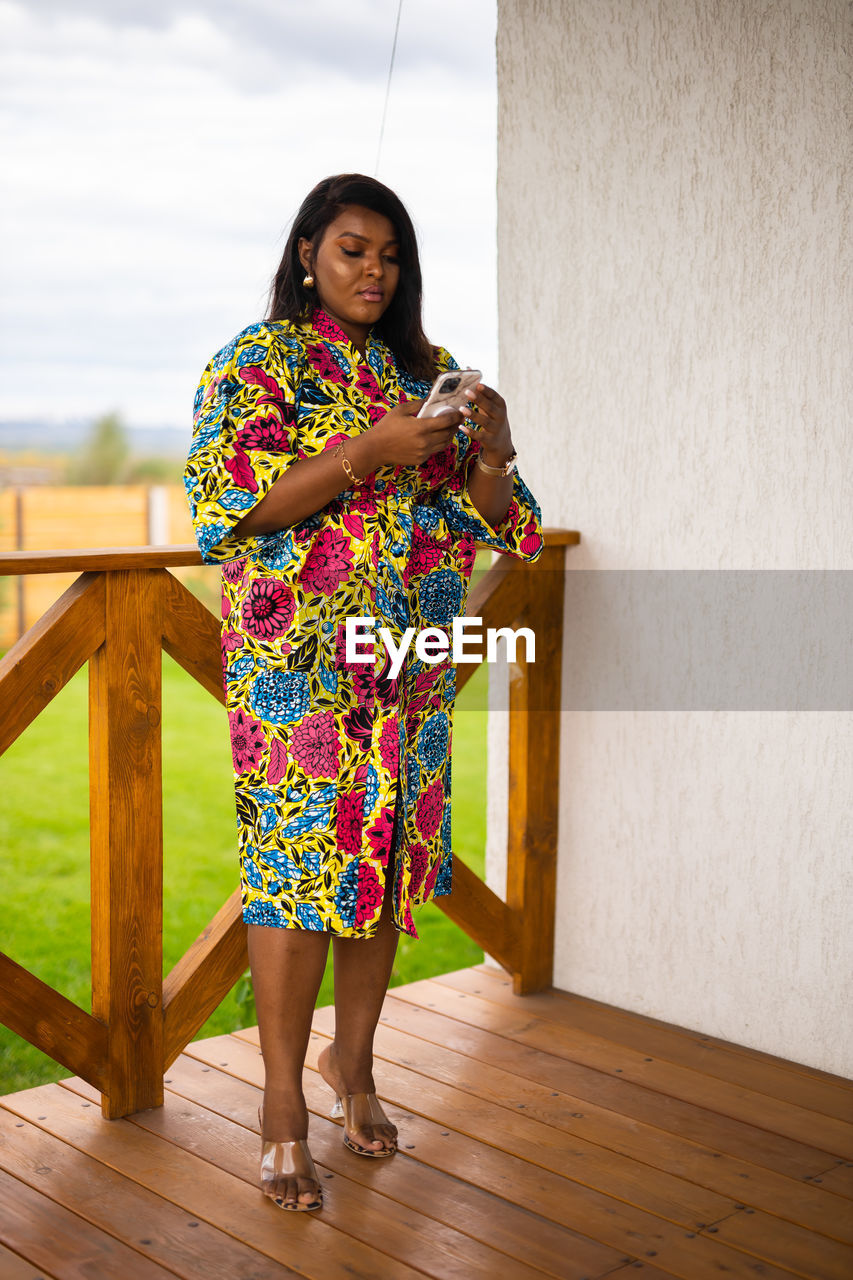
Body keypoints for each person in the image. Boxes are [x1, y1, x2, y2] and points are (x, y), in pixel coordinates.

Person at [183, 173, 543, 1212]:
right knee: (294, 881)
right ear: (306, 253)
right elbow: (230, 508)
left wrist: (492, 443)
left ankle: (357, 1066)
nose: (372, 269)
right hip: (296, 673)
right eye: (351, 248)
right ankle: (282, 1105)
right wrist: (363, 452)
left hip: (406, 671)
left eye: (388, 253)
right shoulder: (255, 362)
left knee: (379, 872)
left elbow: (501, 522)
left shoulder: (423, 366)